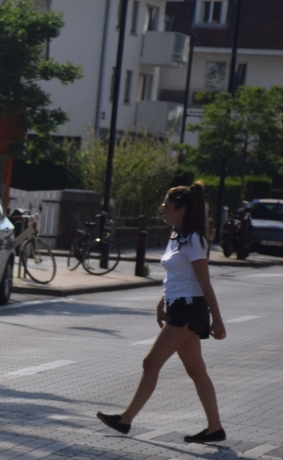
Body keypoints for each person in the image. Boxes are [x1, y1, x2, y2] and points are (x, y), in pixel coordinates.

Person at [97, 183, 228, 444]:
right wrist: (162, 302)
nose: (163, 210)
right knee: (196, 371)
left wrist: (218, 319)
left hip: (190, 308)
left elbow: (204, 282)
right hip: (179, 305)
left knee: (151, 363)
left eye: (167, 206)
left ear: (181, 209)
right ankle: (215, 428)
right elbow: (178, 276)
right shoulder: (176, 235)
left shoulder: (193, 240)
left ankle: (125, 419)